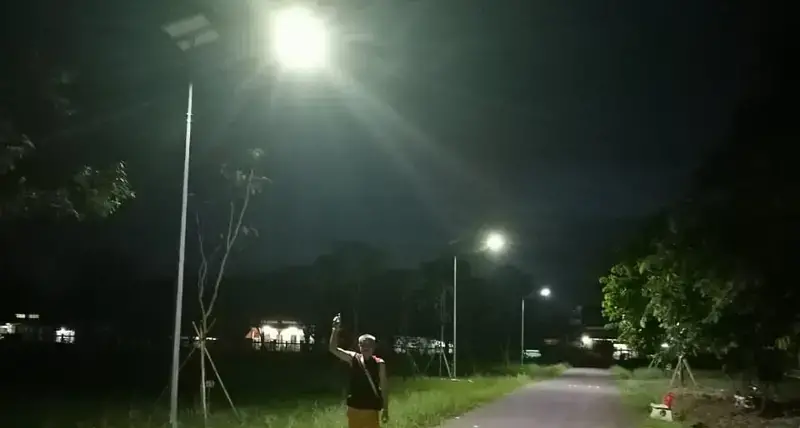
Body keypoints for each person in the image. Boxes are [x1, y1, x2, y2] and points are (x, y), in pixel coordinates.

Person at [329, 313, 389, 428]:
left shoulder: (379, 363)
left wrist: (386, 410)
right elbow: (333, 349)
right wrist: (335, 330)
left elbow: (384, 388)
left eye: (369, 345)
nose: (366, 348)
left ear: (374, 347)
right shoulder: (353, 358)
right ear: (359, 346)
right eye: (363, 345)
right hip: (354, 409)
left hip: (371, 411)